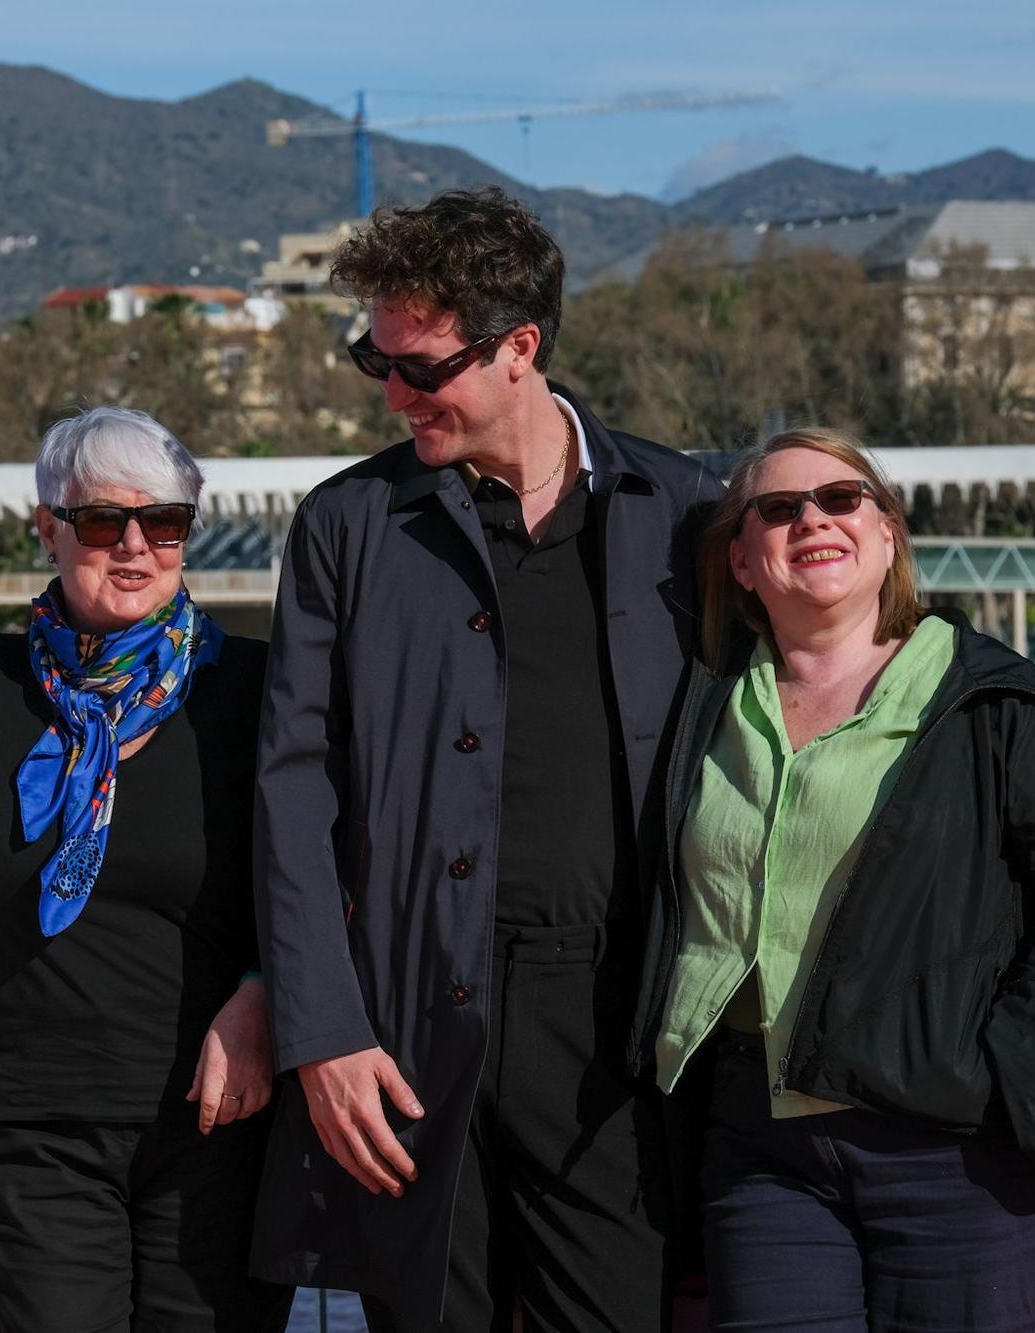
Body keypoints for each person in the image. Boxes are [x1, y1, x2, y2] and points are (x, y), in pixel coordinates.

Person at [250, 186, 723, 1330]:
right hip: (409, 1024)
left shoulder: (681, 509)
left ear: (520, 348)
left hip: (616, 1028)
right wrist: (321, 1032)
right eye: (379, 360)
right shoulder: (345, 524)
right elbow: (290, 785)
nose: (395, 392)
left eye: (425, 367)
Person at [633, 427, 1035, 1330]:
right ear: (743, 559)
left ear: (887, 537)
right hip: (764, 1152)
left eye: (841, 500)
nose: (813, 521)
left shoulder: (990, 700)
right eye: (780, 509)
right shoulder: (701, 712)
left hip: (960, 1151)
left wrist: (1007, 1056)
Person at [0, 406, 292, 1332]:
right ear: (48, 527)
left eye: (166, 523)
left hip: (224, 1115)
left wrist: (269, 989)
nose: (136, 547)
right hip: (32, 1131)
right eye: (104, 522)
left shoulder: (261, 693)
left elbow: (353, 857)